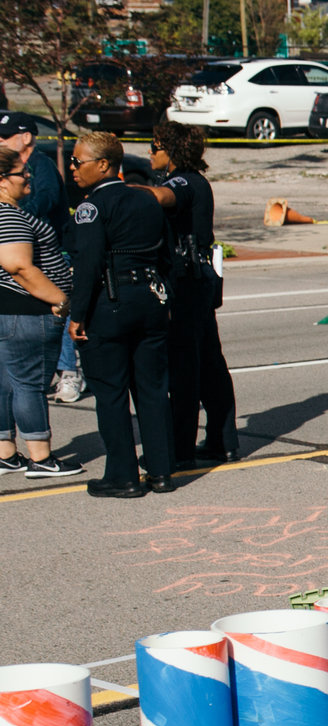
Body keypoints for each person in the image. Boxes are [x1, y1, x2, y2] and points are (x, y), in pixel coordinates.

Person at [64, 131, 175, 498]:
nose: (73, 167)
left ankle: (123, 475)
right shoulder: (146, 200)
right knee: (153, 390)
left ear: (103, 164)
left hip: (110, 300)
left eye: (79, 162)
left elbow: (89, 263)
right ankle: (161, 471)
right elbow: (165, 254)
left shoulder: (91, 207)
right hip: (150, 298)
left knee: (111, 392)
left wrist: (77, 314)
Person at [147, 121, 235, 466]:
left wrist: (119, 191)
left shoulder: (181, 181)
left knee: (185, 366)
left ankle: (181, 448)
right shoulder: (198, 180)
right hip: (200, 279)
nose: (150, 154)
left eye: (155, 147)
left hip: (187, 282)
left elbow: (164, 197)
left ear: (170, 151)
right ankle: (222, 439)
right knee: (210, 363)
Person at [0, 146, 83, 479]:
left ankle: (6, 453)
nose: (28, 176)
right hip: (28, 312)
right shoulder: (7, 215)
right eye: (22, 173)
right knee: (29, 385)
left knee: (6, 385)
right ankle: (41, 457)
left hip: (13, 311)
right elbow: (19, 265)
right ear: (3, 181)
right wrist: (62, 300)